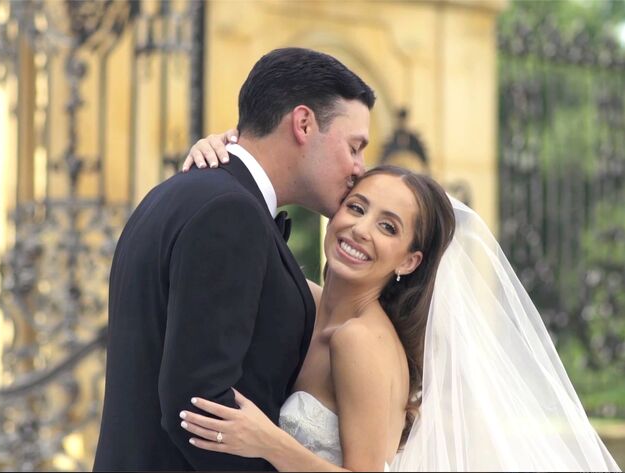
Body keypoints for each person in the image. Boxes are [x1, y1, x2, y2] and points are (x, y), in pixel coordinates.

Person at [175, 135, 622, 472]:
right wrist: (222, 155)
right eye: (356, 208)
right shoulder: (307, 301)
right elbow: (245, 239)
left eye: (388, 227)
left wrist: (269, 443)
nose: (361, 229)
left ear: (409, 260)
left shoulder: (359, 340)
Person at [93, 47, 375, 471]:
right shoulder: (230, 212)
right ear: (303, 123)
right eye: (354, 147)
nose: (359, 168)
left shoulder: (181, 193)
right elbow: (200, 407)